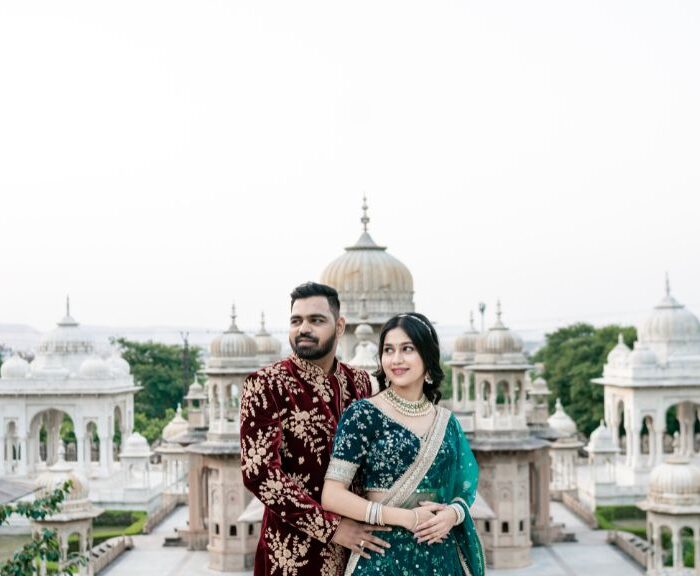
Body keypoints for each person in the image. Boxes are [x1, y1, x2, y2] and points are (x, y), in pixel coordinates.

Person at [240, 282, 391, 576]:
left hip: (361, 549)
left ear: (339, 326)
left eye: (316, 320)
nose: (303, 328)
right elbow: (259, 473)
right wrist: (332, 528)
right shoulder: (267, 384)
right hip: (292, 554)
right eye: (296, 321)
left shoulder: (361, 383)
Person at [322, 312, 485, 576]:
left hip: (441, 557)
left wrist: (453, 515)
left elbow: (464, 488)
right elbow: (332, 495)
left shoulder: (447, 422)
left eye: (407, 349)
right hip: (383, 557)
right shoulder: (363, 414)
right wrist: (406, 518)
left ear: (427, 356)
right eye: (388, 350)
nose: (396, 359)